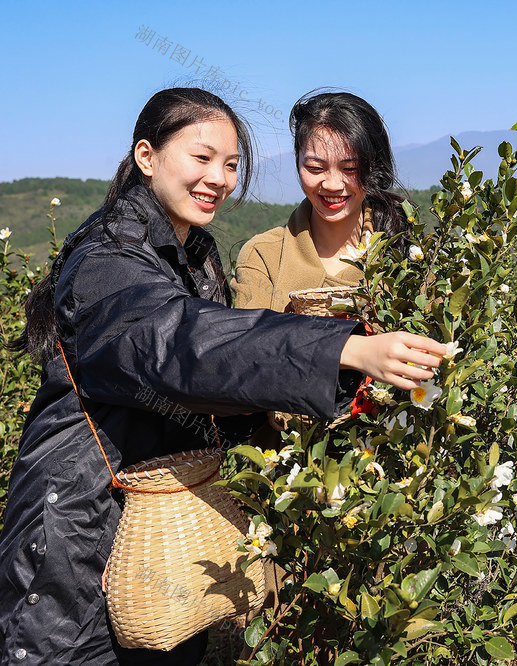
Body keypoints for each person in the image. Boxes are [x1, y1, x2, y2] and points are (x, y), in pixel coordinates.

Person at [0, 88, 445, 666]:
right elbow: (183, 344)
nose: (218, 177)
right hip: (80, 534)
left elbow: (219, 390)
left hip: (161, 534)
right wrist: (345, 348)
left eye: (231, 164)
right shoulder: (110, 259)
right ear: (147, 157)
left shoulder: (193, 253)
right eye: (201, 157)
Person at [231, 91, 408, 312]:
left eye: (349, 169)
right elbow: (251, 342)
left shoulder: (406, 249)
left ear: (373, 168)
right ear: (297, 161)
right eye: (315, 168)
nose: (332, 184)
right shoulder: (263, 256)